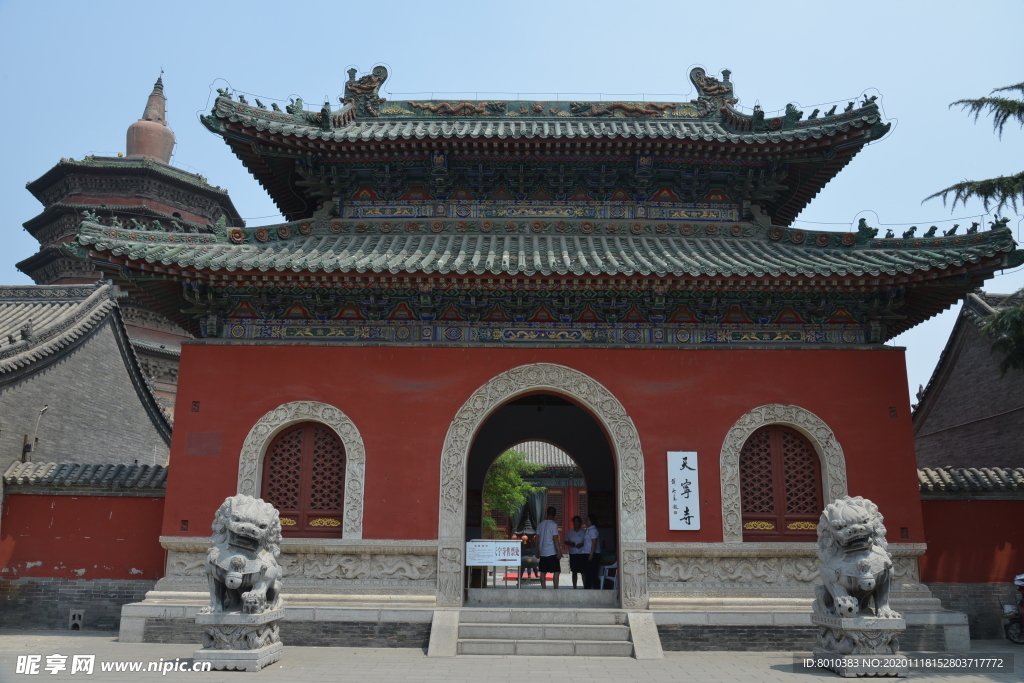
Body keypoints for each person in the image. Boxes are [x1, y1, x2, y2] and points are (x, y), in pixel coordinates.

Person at [535, 506, 561, 589]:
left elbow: (536, 538)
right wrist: (559, 551)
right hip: (551, 552)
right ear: (555, 514)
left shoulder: (541, 524)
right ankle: (555, 589)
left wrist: (537, 550)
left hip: (542, 552)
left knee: (543, 572)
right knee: (556, 571)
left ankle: (543, 589)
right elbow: (555, 539)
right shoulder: (553, 525)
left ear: (547, 513)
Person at [564, 515, 587, 589]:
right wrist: (570, 543)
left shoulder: (584, 532)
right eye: (575, 522)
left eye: (577, 521)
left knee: (583, 571)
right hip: (573, 553)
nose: (576, 523)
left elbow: (588, 541)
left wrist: (582, 544)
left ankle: (585, 586)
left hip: (581, 553)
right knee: (574, 571)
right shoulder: (570, 532)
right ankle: (574, 586)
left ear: (580, 523)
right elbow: (566, 541)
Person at [583, 512, 601, 590]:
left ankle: (596, 588)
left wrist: (591, 553)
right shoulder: (588, 530)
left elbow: (594, 542)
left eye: (587, 520)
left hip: (593, 554)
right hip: (587, 553)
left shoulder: (593, 530)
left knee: (593, 573)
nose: (586, 521)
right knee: (588, 573)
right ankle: (588, 588)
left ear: (591, 521)